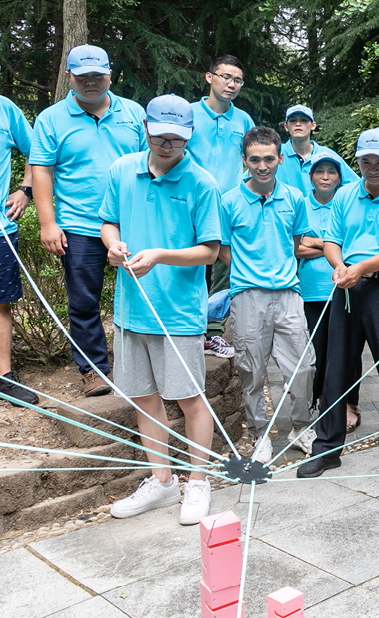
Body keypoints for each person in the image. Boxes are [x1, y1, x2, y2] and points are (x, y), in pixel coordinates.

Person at [98, 94, 221, 525]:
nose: (168, 145)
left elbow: (209, 251)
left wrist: (160, 256)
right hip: (131, 309)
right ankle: (162, 481)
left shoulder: (202, 183)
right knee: (144, 398)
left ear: (189, 136)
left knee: (189, 399)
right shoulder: (121, 170)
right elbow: (108, 221)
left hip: (178, 313)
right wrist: (112, 244)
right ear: (145, 128)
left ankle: (198, 481)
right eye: (160, 136)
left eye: (177, 139)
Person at [296, 128, 379, 478]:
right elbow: (331, 240)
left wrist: (361, 268)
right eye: (366, 162)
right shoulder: (345, 195)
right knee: (335, 368)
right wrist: (339, 265)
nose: (373, 168)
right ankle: (327, 448)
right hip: (347, 288)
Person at [30, 44, 146, 397]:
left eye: (98, 75)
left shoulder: (134, 113)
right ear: (70, 77)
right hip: (79, 225)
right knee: (83, 302)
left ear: (110, 74)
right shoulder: (51, 119)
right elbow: (42, 171)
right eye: (83, 77)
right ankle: (94, 370)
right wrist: (48, 223)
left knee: (144, 293)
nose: (91, 82)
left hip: (132, 221)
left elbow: (151, 164)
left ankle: (144, 363)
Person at [219, 126, 316, 465]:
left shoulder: (295, 198)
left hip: (288, 293)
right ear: (244, 160)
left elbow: (294, 243)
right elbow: (223, 249)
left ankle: (301, 426)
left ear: (280, 158)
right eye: (255, 159)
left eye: (269, 159)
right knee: (251, 370)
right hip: (248, 296)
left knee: (303, 367)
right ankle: (260, 433)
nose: (262, 166)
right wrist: (249, 272)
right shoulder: (229, 201)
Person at [186, 54, 256, 358]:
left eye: (237, 80)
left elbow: (251, 160)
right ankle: (188, 329)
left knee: (223, 270)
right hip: (189, 205)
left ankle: (213, 333)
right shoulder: (188, 113)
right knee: (190, 268)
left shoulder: (244, 120)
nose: (231, 84)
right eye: (225, 76)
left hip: (228, 209)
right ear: (209, 77)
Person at [295, 151, 350, 424]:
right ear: (311, 176)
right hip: (310, 289)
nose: (325, 177)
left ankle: (337, 405)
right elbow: (295, 247)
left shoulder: (346, 203)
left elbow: (351, 245)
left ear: (339, 177)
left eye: (331, 172)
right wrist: (331, 244)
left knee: (340, 351)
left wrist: (314, 241)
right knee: (313, 351)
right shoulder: (301, 204)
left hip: (343, 287)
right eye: (319, 171)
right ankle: (313, 402)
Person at [0, 96, 36, 407]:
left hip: (1, 229)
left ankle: (4, 378)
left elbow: (38, 151)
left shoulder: (5, 109)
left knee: (0, 305)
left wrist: (26, 189)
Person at [277, 104, 358, 195]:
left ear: (313, 125)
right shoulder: (275, 153)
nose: (298, 124)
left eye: (303, 120)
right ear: (286, 126)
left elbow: (354, 185)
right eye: (293, 120)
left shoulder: (327, 154)